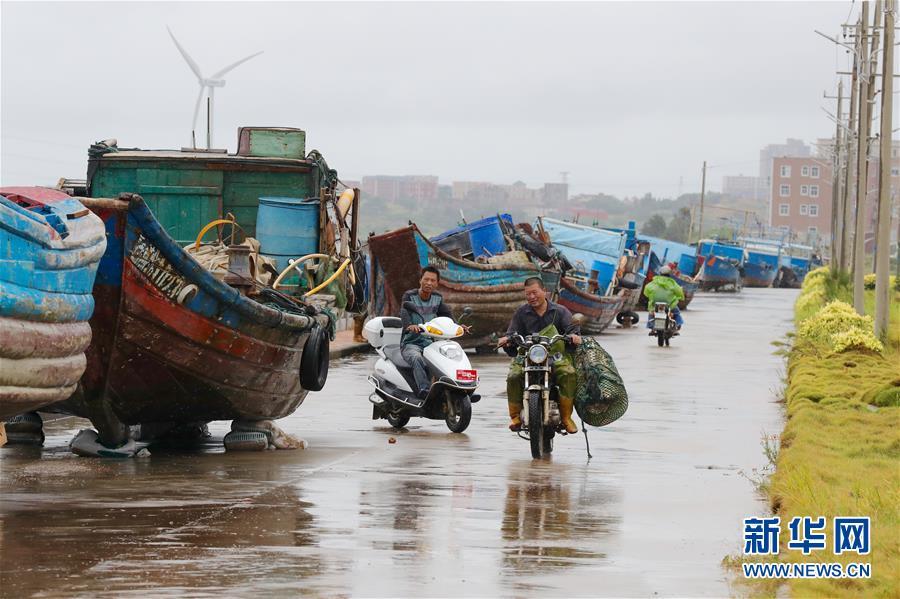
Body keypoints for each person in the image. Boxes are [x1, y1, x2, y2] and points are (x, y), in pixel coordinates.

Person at [498, 277, 582, 434]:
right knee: (514, 376)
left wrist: (574, 337)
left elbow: (572, 331)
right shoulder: (521, 312)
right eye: (528, 294)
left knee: (568, 373)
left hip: (554, 356)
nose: (531, 297)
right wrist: (507, 339)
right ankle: (515, 417)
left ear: (545, 292)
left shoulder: (560, 311)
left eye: (534, 293)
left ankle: (566, 417)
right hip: (528, 356)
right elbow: (512, 333)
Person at [400, 266, 454, 399]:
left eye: (433, 280)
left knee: (450, 356)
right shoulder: (410, 296)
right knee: (417, 358)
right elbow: (404, 312)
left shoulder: (437, 298)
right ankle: (424, 390)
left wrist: (458, 326)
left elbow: (447, 315)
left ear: (437, 283)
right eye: (426, 279)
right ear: (420, 280)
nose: (429, 283)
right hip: (411, 343)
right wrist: (410, 325)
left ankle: (457, 389)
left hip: (431, 343)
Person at [643, 265, 685, 330]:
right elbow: (679, 292)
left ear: (660, 273)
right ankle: (678, 324)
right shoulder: (672, 283)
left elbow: (646, 292)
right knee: (676, 312)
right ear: (670, 274)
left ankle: (651, 325)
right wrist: (681, 297)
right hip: (669, 305)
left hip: (655, 305)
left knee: (651, 313)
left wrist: (650, 296)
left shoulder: (654, 281)